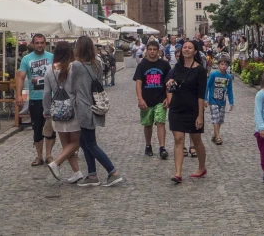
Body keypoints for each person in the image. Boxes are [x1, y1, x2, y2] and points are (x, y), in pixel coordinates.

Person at [70, 36, 123, 187]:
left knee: (91, 143)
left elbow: (71, 86)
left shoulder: (76, 66)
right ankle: (92, 174)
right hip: (94, 105)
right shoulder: (98, 64)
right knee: (84, 142)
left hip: (83, 107)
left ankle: (112, 171)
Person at [165, 39, 208, 183]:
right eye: (184, 47)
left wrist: (200, 116)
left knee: (196, 140)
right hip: (177, 108)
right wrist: (170, 83)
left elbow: (201, 94)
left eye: (190, 48)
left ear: (195, 51)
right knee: (178, 139)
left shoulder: (200, 70)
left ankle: (202, 167)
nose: (187, 49)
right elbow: (170, 81)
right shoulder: (177, 67)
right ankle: (178, 173)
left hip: (193, 109)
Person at [43, 41, 83, 183]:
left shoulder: (49, 69)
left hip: (57, 109)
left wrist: (46, 109)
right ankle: (56, 163)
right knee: (78, 141)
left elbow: (47, 93)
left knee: (66, 143)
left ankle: (77, 172)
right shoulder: (74, 67)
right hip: (73, 108)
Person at [16, 34, 56, 166]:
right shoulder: (26, 59)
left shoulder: (51, 57)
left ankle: (49, 155)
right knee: (37, 128)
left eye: (42, 43)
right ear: (32, 44)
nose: (39, 45)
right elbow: (21, 77)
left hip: (50, 99)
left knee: (50, 128)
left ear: (45, 44)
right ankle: (39, 156)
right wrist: (19, 94)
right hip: (35, 98)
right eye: (37, 43)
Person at [134, 39, 171, 160]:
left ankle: (162, 147)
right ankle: (148, 145)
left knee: (160, 122)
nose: (152, 52)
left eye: (154, 50)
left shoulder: (164, 65)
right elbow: (138, 83)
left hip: (160, 99)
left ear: (159, 51)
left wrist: (168, 97)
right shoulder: (142, 65)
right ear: (146, 51)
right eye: (150, 49)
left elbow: (168, 83)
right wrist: (140, 99)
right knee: (148, 124)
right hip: (146, 99)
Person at [205, 56, 235, 145]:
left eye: (226, 65)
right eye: (222, 64)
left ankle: (215, 134)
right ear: (218, 65)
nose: (224, 66)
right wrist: (205, 99)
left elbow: (229, 90)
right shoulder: (214, 75)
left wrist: (231, 102)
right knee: (215, 117)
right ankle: (218, 136)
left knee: (220, 119)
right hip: (213, 100)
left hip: (222, 101)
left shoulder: (228, 77)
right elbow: (207, 86)